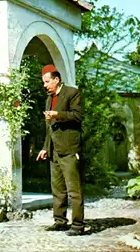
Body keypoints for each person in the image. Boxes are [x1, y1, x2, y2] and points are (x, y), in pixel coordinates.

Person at [36, 64, 85, 236]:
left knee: (74, 190)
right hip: (54, 150)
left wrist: (58, 114)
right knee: (57, 189)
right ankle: (60, 221)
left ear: (56, 79)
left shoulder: (72, 93)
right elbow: (50, 128)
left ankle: (78, 225)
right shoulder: (50, 98)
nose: (45, 85)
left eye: (47, 81)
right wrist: (44, 148)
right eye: (44, 82)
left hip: (70, 149)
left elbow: (78, 116)